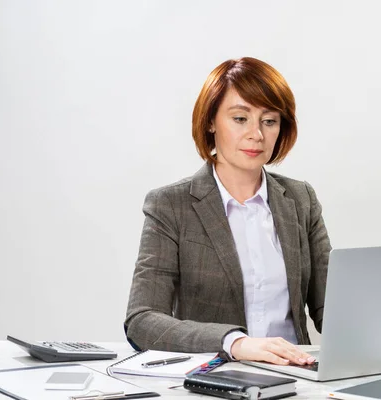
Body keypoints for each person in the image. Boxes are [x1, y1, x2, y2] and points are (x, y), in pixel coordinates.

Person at [124, 57, 331, 366]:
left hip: (297, 378)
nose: (256, 134)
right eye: (239, 119)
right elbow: (142, 321)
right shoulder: (170, 205)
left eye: (269, 120)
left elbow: (331, 308)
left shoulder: (301, 199)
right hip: (215, 376)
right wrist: (233, 342)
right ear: (211, 121)